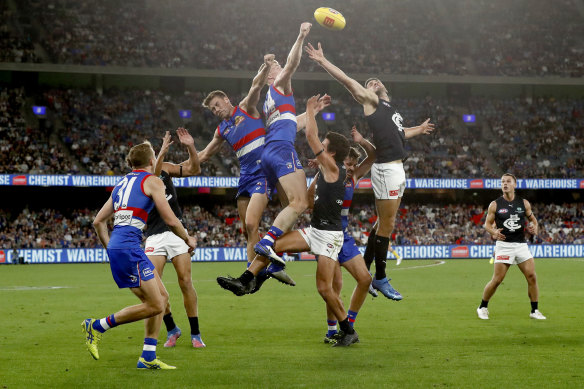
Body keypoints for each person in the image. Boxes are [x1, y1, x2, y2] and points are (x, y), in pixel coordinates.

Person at [218, 95, 360, 347]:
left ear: (333, 153)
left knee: (325, 289)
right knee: (272, 244)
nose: (320, 148)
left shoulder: (335, 168)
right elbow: (310, 201)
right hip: (316, 229)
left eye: (325, 147)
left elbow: (311, 137)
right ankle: (246, 279)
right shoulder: (327, 171)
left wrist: (309, 111)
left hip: (329, 237)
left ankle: (348, 331)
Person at [305, 42, 434, 300]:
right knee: (387, 224)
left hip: (397, 168)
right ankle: (380, 277)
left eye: (377, 80)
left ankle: (367, 268)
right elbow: (347, 80)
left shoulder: (391, 110)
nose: (373, 82)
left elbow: (400, 133)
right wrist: (322, 60)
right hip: (386, 169)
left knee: (383, 223)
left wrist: (417, 130)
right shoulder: (371, 102)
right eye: (370, 82)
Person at [200, 53, 330, 289]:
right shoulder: (243, 120)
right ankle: (256, 275)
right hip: (251, 172)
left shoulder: (247, 107)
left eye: (217, 105)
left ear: (227, 100)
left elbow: (256, 86)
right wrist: (183, 154)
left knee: (282, 211)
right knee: (255, 224)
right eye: (212, 109)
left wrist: (266, 65)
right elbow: (290, 122)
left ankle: (260, 271)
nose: (215, 110)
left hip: (266, 169)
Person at [84, 141, 197, 369]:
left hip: (123, 247)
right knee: (155, 305)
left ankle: (147, 357)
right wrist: (188, 238)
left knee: (162, 299)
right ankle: (97, 326)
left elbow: (98, 221)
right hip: (130, 248)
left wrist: (111, 248)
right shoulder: (153, 181)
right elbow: (170, 219)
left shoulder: (120, 184)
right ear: (151, 161)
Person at [252, 22, 314, 265]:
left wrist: (312, 113)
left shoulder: (271, 101)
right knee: (301, 202)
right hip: (280, 149)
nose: (280, 68)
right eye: (275, 67)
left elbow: (291, 124)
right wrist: (299, 36)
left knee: (290, 209)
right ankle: (267, 243)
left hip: (270, 152)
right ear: (270, 76)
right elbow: (293, 64)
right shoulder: (279, 85)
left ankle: (272, 264)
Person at [313, 127, 376, 343]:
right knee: (334, 287)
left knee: (365, 279)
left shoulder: (353, 178)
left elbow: (374, 157)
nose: (349, 169)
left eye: (352, 165)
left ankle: (349, 323)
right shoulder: (329, 173)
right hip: (326, 235)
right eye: (347, 164)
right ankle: (333, 331)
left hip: (344, 236)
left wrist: (362, 140)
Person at [144, 128, 205, 348]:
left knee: (185, 281)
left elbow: (195, 169)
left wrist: (190, 146)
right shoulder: (140, 178)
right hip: (154, 235)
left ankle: (196, 334)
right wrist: (160, 153)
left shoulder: (167, 169)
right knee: (153, 286)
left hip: (176, 232)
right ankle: (172, 328)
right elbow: (153, 174)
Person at [477, 173, 546, 320]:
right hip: (504, 246)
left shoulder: (524, 203)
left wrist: (535, 228)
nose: (505, 184)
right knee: (497, 280)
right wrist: (494, 231)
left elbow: (534, 221)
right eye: (503, 182)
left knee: (532, 277)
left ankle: (534, 311)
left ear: (514, 184)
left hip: (521, 245)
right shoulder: (495, 204)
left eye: (508, 181)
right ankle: (482, 307)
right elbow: (487, 224)